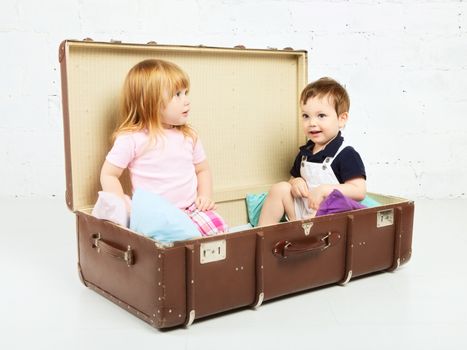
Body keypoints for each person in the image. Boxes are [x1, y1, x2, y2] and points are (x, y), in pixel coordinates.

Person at [99, 59, 227, 236]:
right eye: (177, 95)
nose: (187, 101)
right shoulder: (132, 138)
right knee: (169, 244)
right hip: (156, 214)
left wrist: (204, 196)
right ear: (150, 102)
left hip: (191, 208)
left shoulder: (189, 135)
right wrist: (121, 205)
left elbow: (202, 169)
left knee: (219, 229)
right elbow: (109, 173)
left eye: (185, 93)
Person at [258, 77, 366, 226]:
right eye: (306, 116)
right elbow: (292, 178)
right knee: (280, 188)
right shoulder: (305, 153)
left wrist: (324, 190)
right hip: (304, 211)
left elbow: (359, 191)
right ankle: (262, 234)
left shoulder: (345, 154)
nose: (312, 123)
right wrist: (296, 182)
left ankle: (305, 235)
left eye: (321, 116)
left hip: (331, 218)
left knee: (328, 205)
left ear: (341, 119)